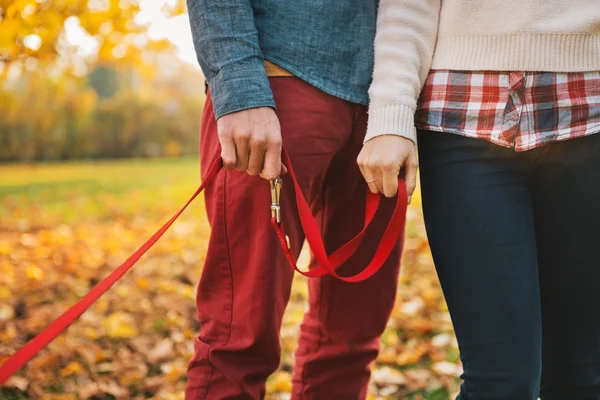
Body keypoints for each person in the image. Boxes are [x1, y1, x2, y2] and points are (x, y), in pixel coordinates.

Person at [360, 0, 600, 399]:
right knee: (501, 384)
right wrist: (390, 114)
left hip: (589, 113)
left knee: (583, 375)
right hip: (462, 119)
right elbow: (408, 7)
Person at [184, 1, 411, 399]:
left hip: (385, 106)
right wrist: (238, 86)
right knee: (239, 335)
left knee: (351, 339)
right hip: (278, 81)